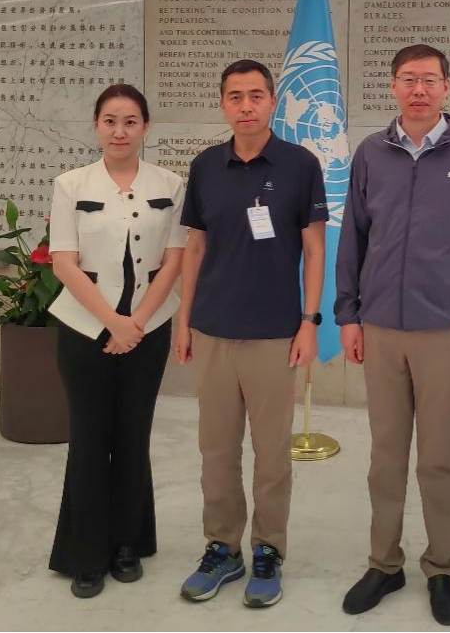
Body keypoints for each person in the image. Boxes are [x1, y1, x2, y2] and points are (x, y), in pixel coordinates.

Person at [336, 44, 450, 626]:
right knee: (385, 456)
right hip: (381, 327)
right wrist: (349, 315)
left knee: (437, 457)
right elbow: (353, 238)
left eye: (430, 80)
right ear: (392, 86)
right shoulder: (371, 153)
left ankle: (441, 568)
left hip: (444, 330)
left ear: (446, 88)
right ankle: (384, 563)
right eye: (408, 79)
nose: (419, 90)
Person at [174, 59, 327, 609]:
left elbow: (314, 248)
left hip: (273, 334)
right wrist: (184, 321)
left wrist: (309, 322)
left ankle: (268, 550)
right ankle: (223, 547)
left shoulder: (299, 164)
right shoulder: (205, 166)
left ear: (273, 102)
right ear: (223, 104)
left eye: (256, 95)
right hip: (213, 330)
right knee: (216, 449)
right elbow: (195, 247)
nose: (246, 105)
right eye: (235, 96)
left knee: (271, 454)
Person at [46, 83, 187, 599]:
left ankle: (128, 543)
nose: (120, 131)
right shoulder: (70, 184)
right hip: (84, 329)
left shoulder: (171, 184)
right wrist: (113, 321)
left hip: (148, 330)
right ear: (96, 126)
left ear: (145, 127)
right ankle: (85, 555)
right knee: (88, 440)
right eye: (110, 121)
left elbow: (174, 259)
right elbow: (64, 263)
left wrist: (137, 323)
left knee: (132, 437)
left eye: (130, 121)